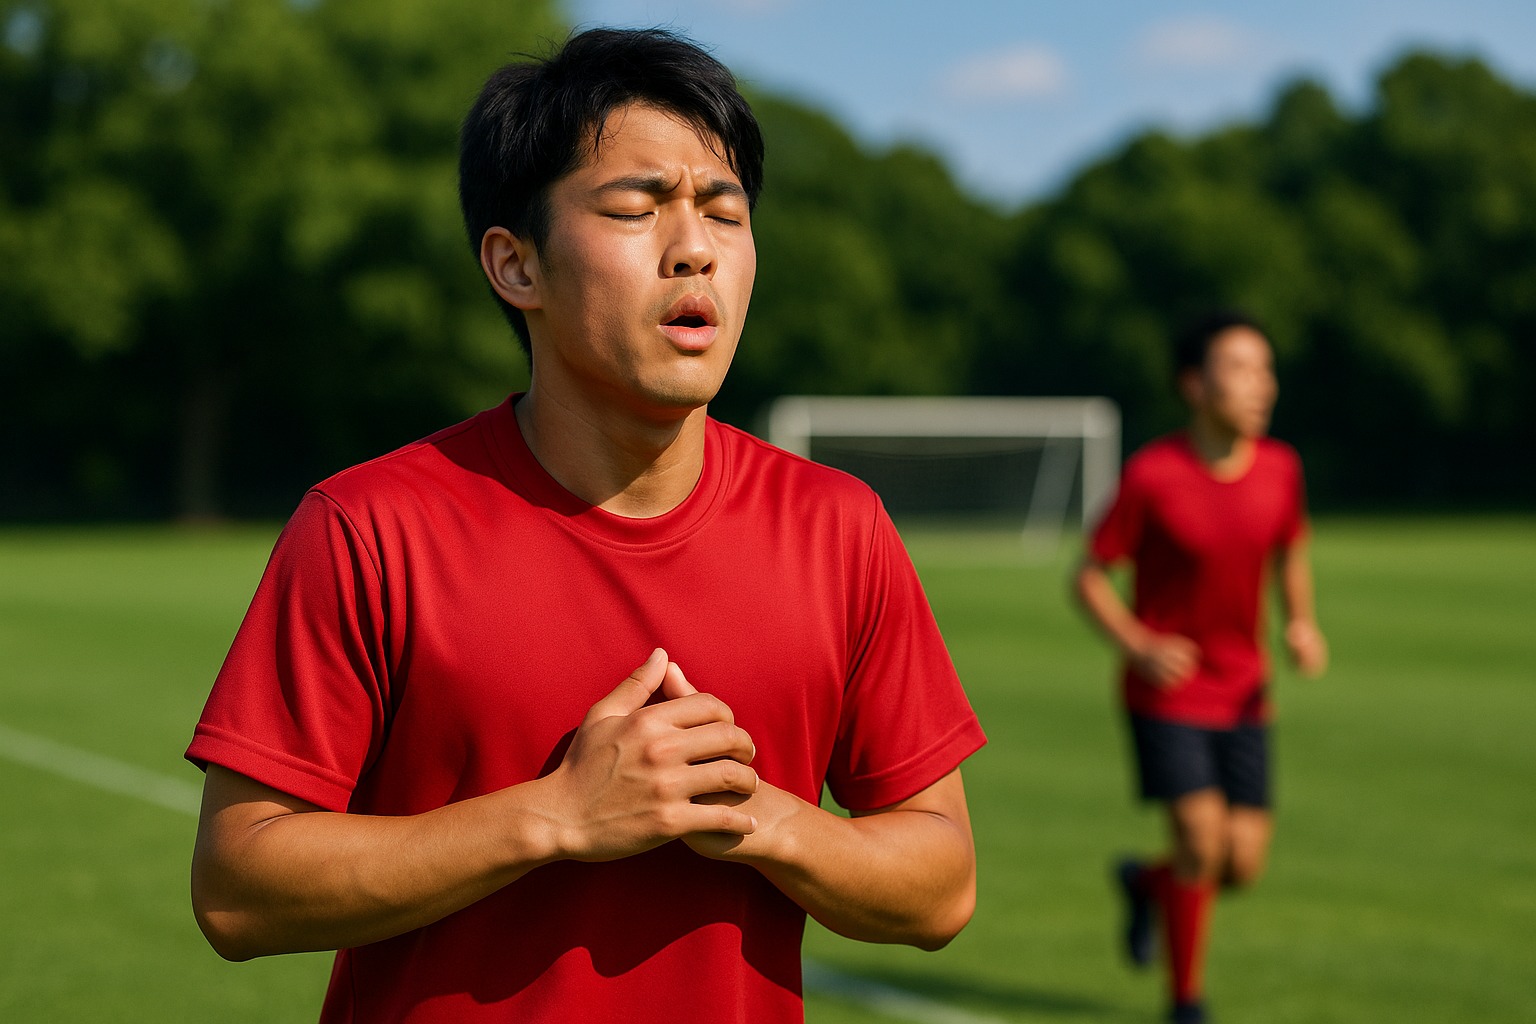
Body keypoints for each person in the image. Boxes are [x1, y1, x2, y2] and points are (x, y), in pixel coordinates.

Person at [185, 27, 985, 1024]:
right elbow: (236, 886)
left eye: (723, 212)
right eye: (635, 207)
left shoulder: (838, 526)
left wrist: (764, 816)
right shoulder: (370, 525)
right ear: (515, 265)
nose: (693, 246)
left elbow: (942, 882)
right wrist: (556, 814)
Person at [1074, 311, 1327, 1024]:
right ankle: (1187, 1003)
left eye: (1266, 369)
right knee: (1201, 838)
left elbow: (1291, 551)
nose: (1261, 385)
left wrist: (1300, 623)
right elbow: (1089, 576)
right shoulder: (1154, 475)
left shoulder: (1283, 468)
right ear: (1194, 384)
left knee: (1240, 862)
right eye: (1242, 368)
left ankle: (1149, 885)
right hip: (1169, 694)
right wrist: (1139, 644)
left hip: (1246, 694)